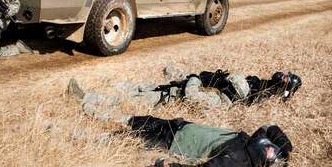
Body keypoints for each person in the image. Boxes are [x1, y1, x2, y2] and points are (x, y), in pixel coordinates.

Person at [68, 91, 292, 167]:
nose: (269, 145)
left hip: (172, 143)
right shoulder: (252, 142)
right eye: (273, 146)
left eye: (272, 150)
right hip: (181, 126)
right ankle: (93, 107)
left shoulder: (237, 166)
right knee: (134, 119)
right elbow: (269, 126)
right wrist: (286, 148)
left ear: (264, 161)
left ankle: (75, 135)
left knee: (122, 138)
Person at [67, 68, 302, 112]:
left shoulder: (219, 102)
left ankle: (84, 96)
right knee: (138, 88)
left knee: (124, 99)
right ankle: (109, 82)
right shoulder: (225, 95)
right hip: (173, 90)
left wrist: (193, 79)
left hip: (171, 98)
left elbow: (192, 96)